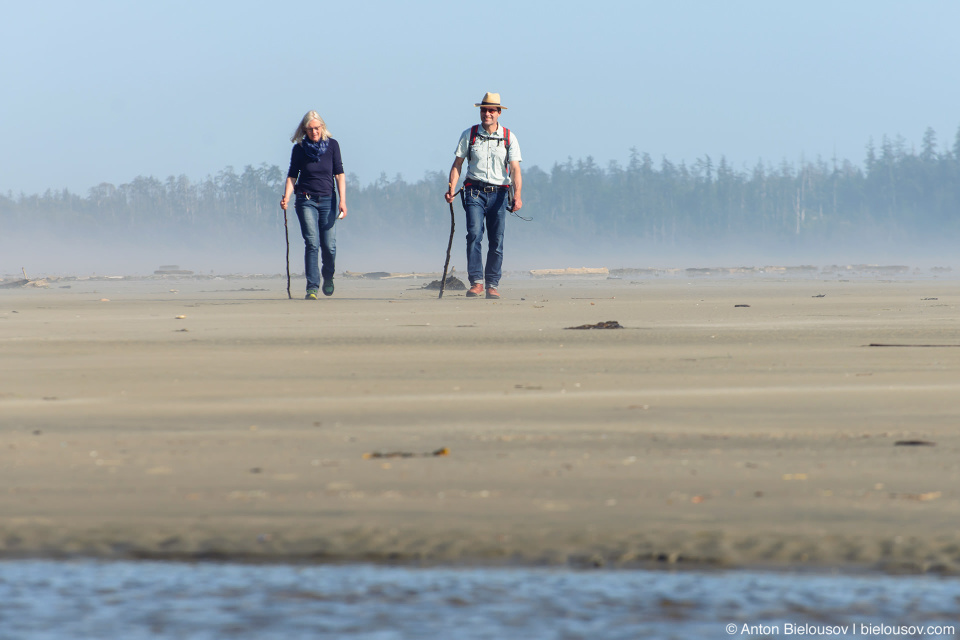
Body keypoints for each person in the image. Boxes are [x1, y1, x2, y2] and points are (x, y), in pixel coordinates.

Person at [444, 92, 523, 299]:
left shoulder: (508, 137)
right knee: (474, 235)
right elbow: (457, 164)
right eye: (483, 110)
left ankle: (492, 285)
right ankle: (476, 282)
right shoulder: (469, 135)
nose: (487, 113)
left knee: (496, 240)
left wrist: (518, 195)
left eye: (491, 110)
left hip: (499, 193)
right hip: (474, 192)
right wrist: (451, 188)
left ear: (498, 113)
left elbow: (515, 169)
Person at [281, 111, 347, 299]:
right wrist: (286, 197)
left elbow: (339, 174)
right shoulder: (299, 149)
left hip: (328, 200)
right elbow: (292, 176)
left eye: (317, 128)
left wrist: (342, 201)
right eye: (310, 129)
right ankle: (312, 287)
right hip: (305, 200)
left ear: (323, 127)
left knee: (329, 245)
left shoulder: (333, 146)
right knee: (312, 243)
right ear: (304, 130)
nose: (314, 132)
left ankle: (328, 276)